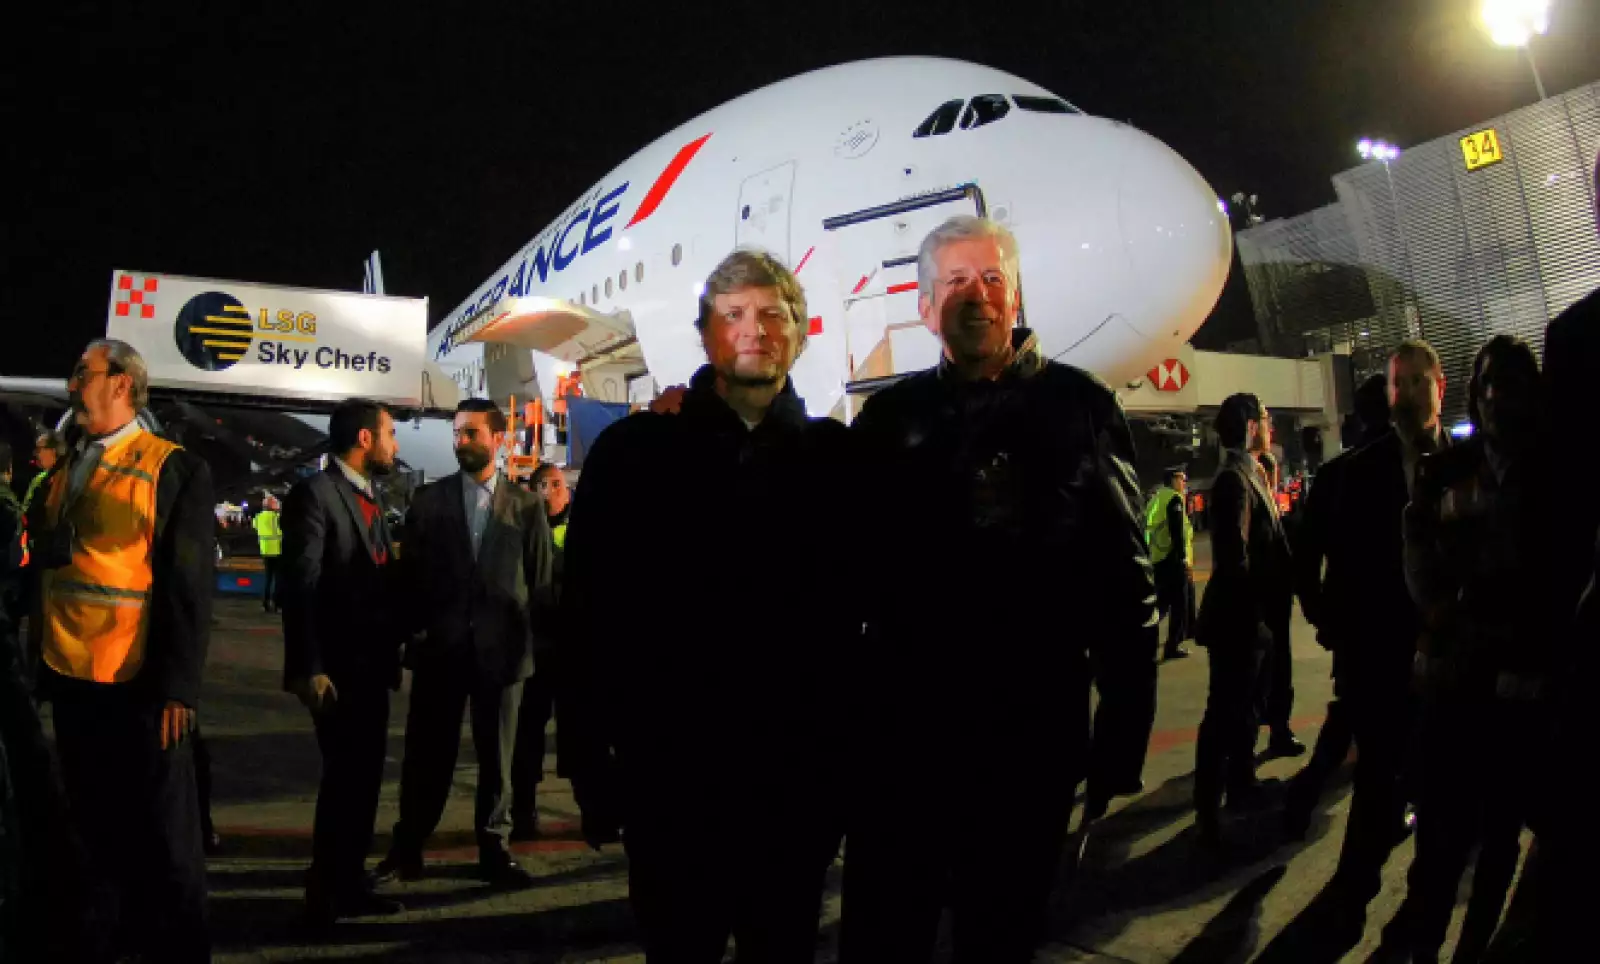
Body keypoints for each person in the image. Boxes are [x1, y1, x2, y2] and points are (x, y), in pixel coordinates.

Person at [841, 216, 1158, 963]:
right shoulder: (888, 420)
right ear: (925, 307)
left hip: (1030, 740)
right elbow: (842, 573)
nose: (976, 295)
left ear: (1015, 298)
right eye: (955, 281)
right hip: (907, 743)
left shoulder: (1081, 407)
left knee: (1001, 935)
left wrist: (1122, 731)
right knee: (886, 936)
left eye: (991, 279)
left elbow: (1126, 582)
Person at [560, 249, 856, 962]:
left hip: (796, 786)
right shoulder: (635, 455)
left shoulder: (838, 460)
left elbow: (869, 622)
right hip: (671, 782)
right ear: (705, 334)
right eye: (733, 315)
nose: (755, 329)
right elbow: (584, 615)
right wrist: (586, 761)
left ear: (799, 333)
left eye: (773, 314)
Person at [26, 339, 214, 961]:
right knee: (94, 826)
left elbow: (187, 588)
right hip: (70, 673)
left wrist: (179, 688)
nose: (74, 384)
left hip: (141, 683)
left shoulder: (172, 468)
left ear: (123, 383)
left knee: (164, 834)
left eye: (85, 373)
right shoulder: (68, 465)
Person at [1384, 335, 1556, 963]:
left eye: (1507, 382)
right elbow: (1419, 555)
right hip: (1454, 687)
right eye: (1484, 383)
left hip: (1520, 694)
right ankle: (1424, 945)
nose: (1493, 397)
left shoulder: (1556, 477)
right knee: (1440, 843)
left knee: (1500, 842)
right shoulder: (1445, 471)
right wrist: (1448, 610)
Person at [374, 399, 552, 888]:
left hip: (503, 656)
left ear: (498, 438)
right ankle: (408, 846)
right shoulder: (428, 501)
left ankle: (494, 848)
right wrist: (412, 634)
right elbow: (410, 578)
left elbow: (540, 585)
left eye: (472, 433)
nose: (461, 441)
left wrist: (533, 652)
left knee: (498, 758)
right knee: (427, 756)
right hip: (441, 652)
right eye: (457, 433)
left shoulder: (527, 507)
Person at [281, 398, 407, 925]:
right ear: (364, 439)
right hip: (337, 670)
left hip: (371, 668)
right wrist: (309, 666)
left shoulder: (369, 494)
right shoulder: (316, 494)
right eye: (390, 433)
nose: (394, 445)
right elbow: (301, 586)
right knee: (343, 782)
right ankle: (324, 894)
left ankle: (350, 882)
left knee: (363, 781)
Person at [1283, 372, 1392, 840]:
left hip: (1351, 624)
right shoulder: (1405, 466)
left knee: (1351, 712)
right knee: (1374, 722)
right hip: (1390, 624)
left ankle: (1307, 794)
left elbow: (1305, 560)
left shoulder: (1333, 475)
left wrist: (1321, 616)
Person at [1193, 392, 1290, 845]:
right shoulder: (1233, 480)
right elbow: (1235, 559)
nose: (1270, 426)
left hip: (1251, 617)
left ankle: (1242, 785)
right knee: (1225, 713)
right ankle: (1208, 808)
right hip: (1239, 620)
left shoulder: (1251, 473)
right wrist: (1258, 610)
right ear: (1251, 425)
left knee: (1245, 709)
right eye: (1266, 418)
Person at [509, 461, 570, 840]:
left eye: (556, 484)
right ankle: (523, 810)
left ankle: (597, 808)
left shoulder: (580, 527)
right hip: (533, 648)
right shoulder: (520, 529)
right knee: (528, 733)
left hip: (570, 648)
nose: (550, 491)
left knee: (580, 731)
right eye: (542, 485)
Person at [1253, 447, 1304, 758]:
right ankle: (1276, 731)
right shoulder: (1266, 507)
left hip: (1270, 602)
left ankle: (1277, 729)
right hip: (1268, 602)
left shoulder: (1269, 505)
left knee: (1271, 672)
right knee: (1272, 671)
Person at [1145, 467, 1196, 660]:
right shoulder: (1174, 499)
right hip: (1172, 559)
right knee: (1178, 605)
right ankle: (1172, 646)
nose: (1184, 482)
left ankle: (1140, 636)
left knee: (1163, 603)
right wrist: (1183, 559)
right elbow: (1177, 533)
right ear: (1173, 480)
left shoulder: (1156, 498)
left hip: (1158, 558)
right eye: (1182, 479)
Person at [254, 494, 284, 613]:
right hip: (277, 550)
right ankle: (277, 604)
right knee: (278, 579)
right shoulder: (276, 518)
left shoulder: (258, 517)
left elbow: (255, 527)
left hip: (265, 550)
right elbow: (281, 531)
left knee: (268, 578)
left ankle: (265, 603)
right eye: (276, 504)